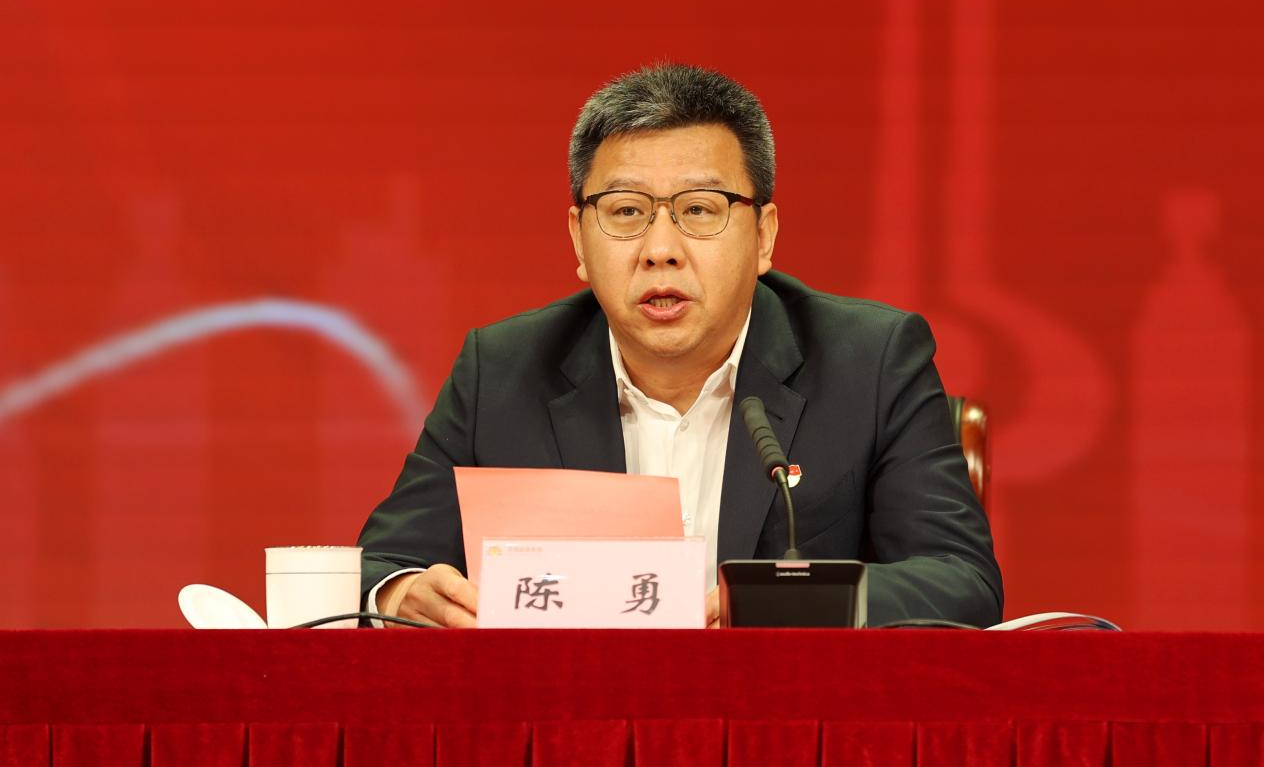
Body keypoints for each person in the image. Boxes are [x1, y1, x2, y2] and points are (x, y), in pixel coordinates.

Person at [357, 63, 1002, 628]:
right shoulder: (501, 371)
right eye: (625, 211)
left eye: (698, 209)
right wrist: (401, 593)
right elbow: (379, 565)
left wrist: (776, 602)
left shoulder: (871, 362)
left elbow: (962, 581)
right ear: (579, 239)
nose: (660, 249)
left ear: (764, 237)